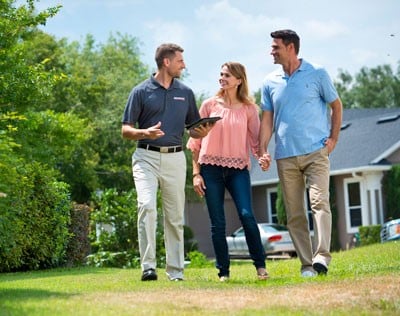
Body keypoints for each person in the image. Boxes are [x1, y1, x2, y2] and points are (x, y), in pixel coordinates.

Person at [121, 43, 210, 281]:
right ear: (166, 62)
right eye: (180, 61)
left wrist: (203, 131)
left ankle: (176, 271)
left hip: (175, 158)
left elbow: (192, 130)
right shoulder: (140, 91)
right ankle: (148, 267)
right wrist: (145, 133)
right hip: (145, 157)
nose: (184, 65)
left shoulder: (186, 93)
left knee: (174, 216)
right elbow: (125, 130)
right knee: (147, 206)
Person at [258, 29, 343, 277]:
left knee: (319, 204)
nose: (271, 51)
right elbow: (267, 120)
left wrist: (333, 138)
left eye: (276, 47)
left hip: (316, 152)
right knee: (295, 213)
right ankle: (307, 265)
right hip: (285, 156)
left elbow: (336, 105)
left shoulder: (317, 73)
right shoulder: (269, 81)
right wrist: (263, 149)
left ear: (291, 47)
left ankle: (322, 258)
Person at [187, 61, 269, 282]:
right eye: (221, 74)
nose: (222, 78)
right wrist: (196, 173)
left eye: (227, 76)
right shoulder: (209, 105)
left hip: (238, 169)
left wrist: (262, 156)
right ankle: (223, 271)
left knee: (246, 215)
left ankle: (260, 266)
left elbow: (255, 141)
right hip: (210, 169)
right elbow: (195, 143)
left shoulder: (250, 109)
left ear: (239, 80)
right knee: (218, 222)